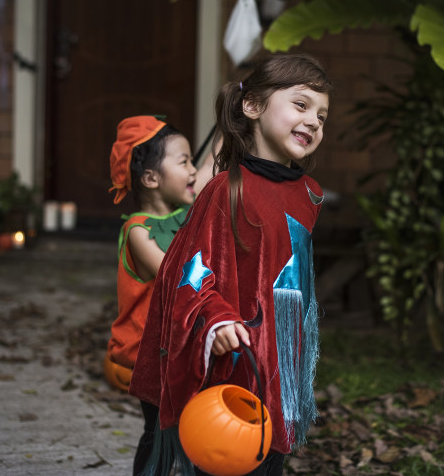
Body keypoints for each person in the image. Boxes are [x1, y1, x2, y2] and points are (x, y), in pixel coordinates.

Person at [130, 53, 332, 476]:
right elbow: (188, 269)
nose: (313, 121)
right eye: (300, 105)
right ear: (253, 106)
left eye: (322, 115)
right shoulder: (227, 190)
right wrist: (216, 320)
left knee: (267, 454)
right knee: (222, 457)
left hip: (279, 359)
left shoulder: (310, 194)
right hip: (233, 354)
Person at [105, 115, 215, 476]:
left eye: (191, 161)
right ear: (151, 178)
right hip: (153, 353)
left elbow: (211, 167)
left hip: (184, 346)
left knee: (194, 427)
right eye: (183, 162)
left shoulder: (188, 213)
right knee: (160, 431)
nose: (194, 171)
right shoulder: (138, 230)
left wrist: (231, 121)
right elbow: (176, 275)